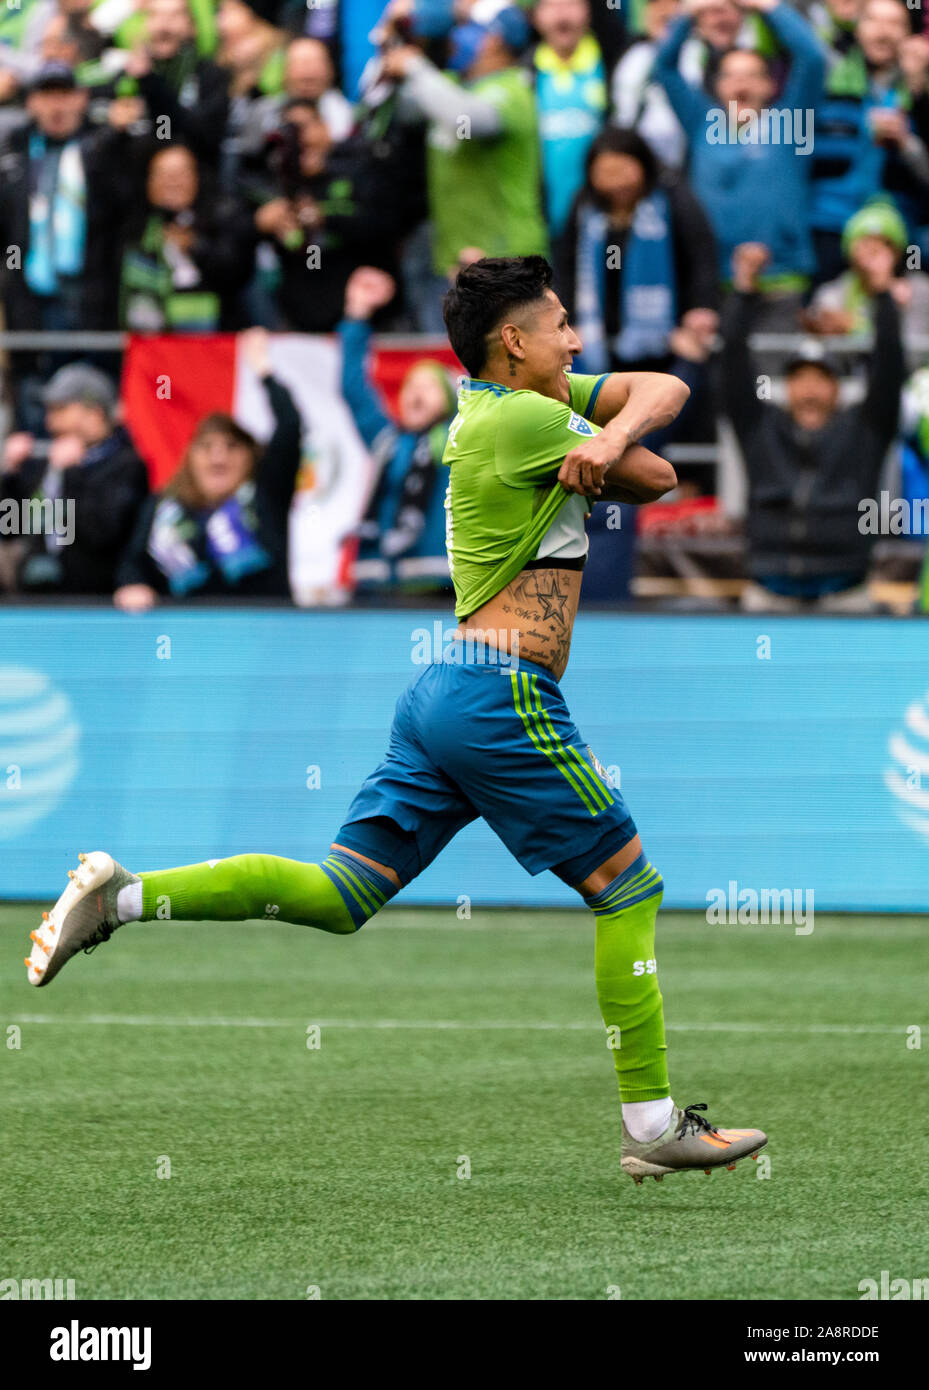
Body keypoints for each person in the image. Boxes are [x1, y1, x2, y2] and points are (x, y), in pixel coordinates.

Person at [26, 254, 769, 1191]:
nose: (576, 340)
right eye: (561, 326)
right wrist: (603, 436)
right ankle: (653, 1126)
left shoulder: (502, 406)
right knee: (628, 889)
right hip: (503, 692)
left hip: (443, 690)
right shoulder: (532, 416)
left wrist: (603, 428)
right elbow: (657, 468)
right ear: (515, 341)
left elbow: (662, 401)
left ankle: (123, 896)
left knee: (343, 895)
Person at [722, 240, 905, 611]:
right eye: (799, 378)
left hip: (846, 594)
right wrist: (743, 289)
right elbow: (731, 364)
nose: (809, 390)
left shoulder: (864, 430)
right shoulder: (760, 429)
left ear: (837, 389)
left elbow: (889, 368)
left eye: (821, 378)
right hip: (768, 593)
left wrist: (882, 291)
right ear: (787, 386)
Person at [653, 0, 826, 329]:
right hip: (718, 283)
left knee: (775, 375)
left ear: (770, 84)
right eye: (731, 76)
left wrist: (767, 6)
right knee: (725, 378)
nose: (741, 84)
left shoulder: (793, 122)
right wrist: (689, 12)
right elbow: (664, 67)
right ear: (717, 86)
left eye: (751, 76)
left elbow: (812, 58)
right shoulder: (701, 121)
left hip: (783, 281)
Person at [112, 329, 302, 610]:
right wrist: (132, 585)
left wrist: (264, 370)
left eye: (231, 447)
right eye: (207, 447)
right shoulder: (162, 506)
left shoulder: (267, 496)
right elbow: (133, 563)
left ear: (250, 458)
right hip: (186, 639)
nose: (218, 458)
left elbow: (288, 426)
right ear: (189, 457)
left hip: (263, 640)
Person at [0, 62, 130, 429]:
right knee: (37, 411)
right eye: (46, 95)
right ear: (31, 103)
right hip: (33, 300)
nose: (56, 106)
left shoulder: (104, 146)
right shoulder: (14, 153)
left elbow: (127, 204)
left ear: (81, 98)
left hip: (94, 298)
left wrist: (115, 141)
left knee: (96, 406)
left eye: (64, 94)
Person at [381, 6, 548, 284]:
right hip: (452, 255)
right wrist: (395, 42)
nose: (456, 37)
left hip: (507, 255)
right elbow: (399, 110)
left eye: (469, 30)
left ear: (496, 40)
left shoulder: (513, 90)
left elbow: (465, 121)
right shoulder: (452, 84)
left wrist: (414, 66)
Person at [555, 128, 719, 378]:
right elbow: (566, 266)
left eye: (623, 171)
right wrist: (569, 322)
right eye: (606, 174)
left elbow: (701, 257)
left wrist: (699, 310)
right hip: (597, 344)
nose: (617, 183)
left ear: (643, 165)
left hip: (669, 347)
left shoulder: (671, 199)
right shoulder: (585, 207)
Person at [339, 266, 454, 595]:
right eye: (410, 386)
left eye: (429, 386)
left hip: (439, 587)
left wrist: (480, 301)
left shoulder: (458, 438)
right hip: (380, 585)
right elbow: (353, 388)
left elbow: (494, 388)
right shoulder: (387, 441)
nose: (416, 393)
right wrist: (357, 315)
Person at [251, 98, 398, 331]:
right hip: (299, 321)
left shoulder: (358, 167)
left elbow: (384, 224)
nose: (301, 138)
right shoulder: (273, 183)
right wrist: (258, 224)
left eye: (307, 126)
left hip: (365, 318)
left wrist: (325, 217)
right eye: (291, 131)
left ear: (326, 127)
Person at [0, 363, 148, 594]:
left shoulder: (127, 466)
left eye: (60, 409)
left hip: (94, 604)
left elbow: (102, 534)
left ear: (95, 414)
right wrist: (11, 475)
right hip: (37, 598)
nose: (50, 422)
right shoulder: (47, 460)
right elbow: (9, 528)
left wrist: (71, 474)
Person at [810, 0, 929, 286]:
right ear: (858, 28)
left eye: (894, 23)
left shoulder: (920, 91)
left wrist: (908, 139)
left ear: (910, 35)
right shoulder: (826, 80)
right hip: (830, 223)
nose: (883, 32)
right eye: (873, 21)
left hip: (900, 228)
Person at [118, 143, 255, 332]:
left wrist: (196, 246)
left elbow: (237, 273)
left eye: (181, 174)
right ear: (148, 181)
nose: (173, 182)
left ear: (197, 178)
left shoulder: (222, 217)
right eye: (164, 174)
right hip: (148, 347)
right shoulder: (131, 228)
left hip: (212, 343)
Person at [806, 198, 929, 365]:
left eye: (883, 244)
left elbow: (913, 357)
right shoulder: (832, 293)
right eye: (864, 243)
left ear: (898, 251)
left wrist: (855, 328)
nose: (872, 253)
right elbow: (822, 364)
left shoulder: (919, 289)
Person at [530, 0, 608, 240]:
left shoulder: (612, 61)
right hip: (541, 220)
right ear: (535, 16)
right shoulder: (523, 72)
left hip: (601, 216)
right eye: (552, 5)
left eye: (572, 4)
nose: (562, 14)